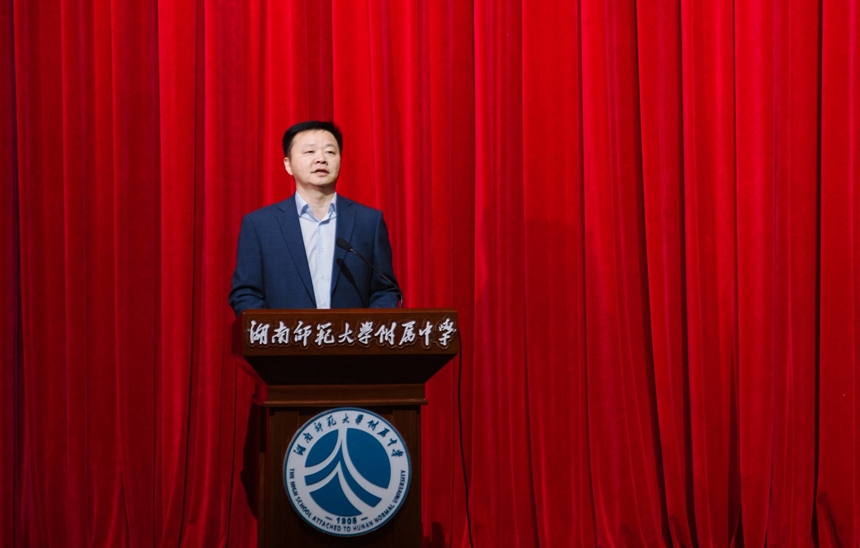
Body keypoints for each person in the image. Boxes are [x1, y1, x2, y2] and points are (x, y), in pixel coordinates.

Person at [229, 120, 400, 316]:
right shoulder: (260, 225)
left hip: (352, 335)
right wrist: (277, 330)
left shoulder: (368, 222)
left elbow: (385, 290)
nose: (321, 159)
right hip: (284, 335)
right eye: (310, 152)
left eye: (330, 152)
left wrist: (365, 328)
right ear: (288, 164)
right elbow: (245, 294)